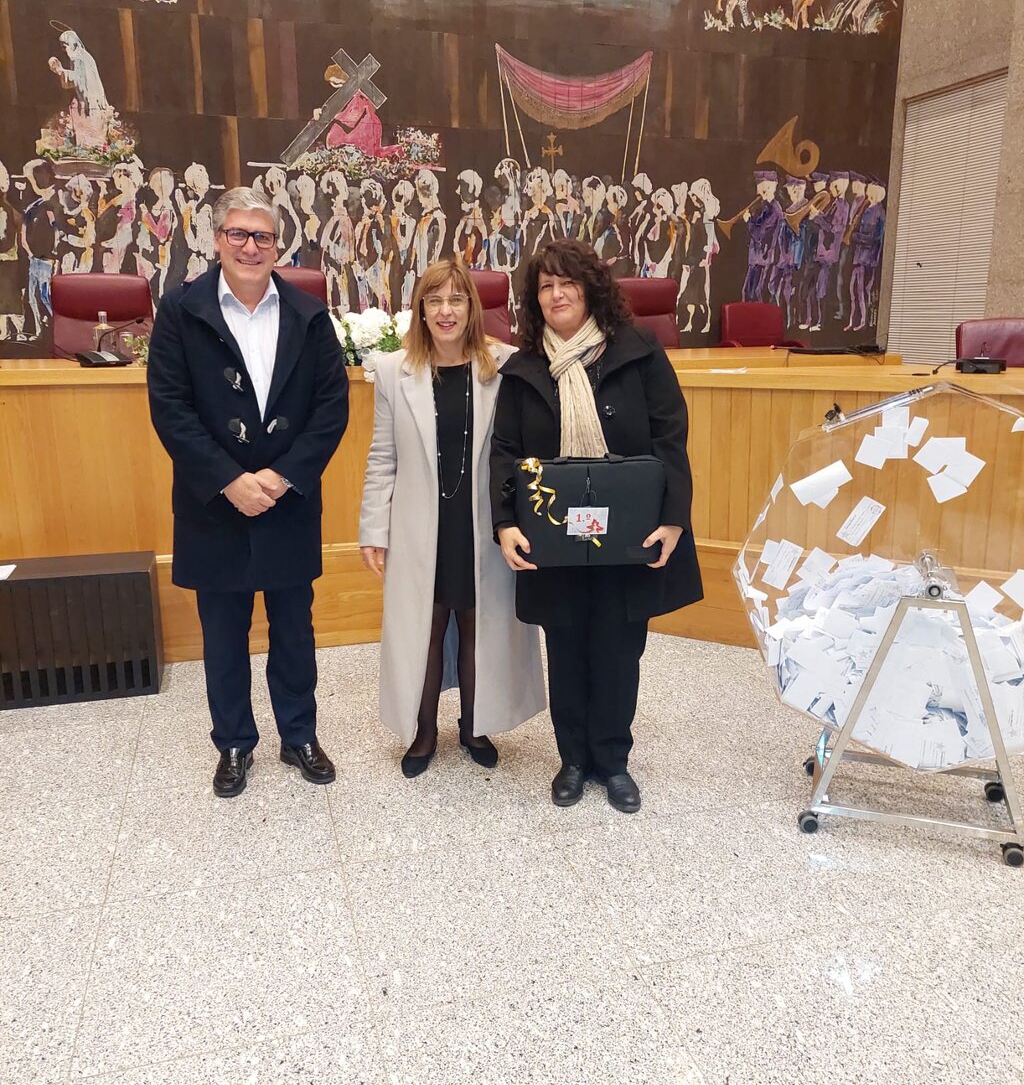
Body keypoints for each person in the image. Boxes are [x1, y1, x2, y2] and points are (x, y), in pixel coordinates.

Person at [147, 185, 349, 798]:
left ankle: (299, 734)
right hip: (214, 504)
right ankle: (234, 743)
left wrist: (283, 477)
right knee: (224, 632)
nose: (250, 246)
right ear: (217, 240)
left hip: (288, 501)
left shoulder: (309, 314)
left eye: (262, 236)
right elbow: (170, 409)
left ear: (277, 244)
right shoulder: (180, 311)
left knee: (294, 629)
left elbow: (331, 408)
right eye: (238, 233)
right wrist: (229, 480)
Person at [490, 239, 702, 813]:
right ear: (535, 300)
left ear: (591, 290)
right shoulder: (524, 368)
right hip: (553, 537)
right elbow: (505, 452)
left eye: (568, 284)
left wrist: (673, 520)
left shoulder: (639, 351)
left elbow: (671, 439)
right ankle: (573, 760)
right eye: (545, 287)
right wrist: (505, 522)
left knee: (617, 648)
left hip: (626, 535)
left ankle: (612, 761)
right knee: (566, 646)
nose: (557, 295)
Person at [359, 259, 544, 777]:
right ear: (420, 309)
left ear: (472, 308)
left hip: (483, 522)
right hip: (419, 525)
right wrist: (373, 528)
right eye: (434, 300)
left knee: (477, 622)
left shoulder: (504, 365)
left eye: (456, 300)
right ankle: (422, 731)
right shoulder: (394, 371)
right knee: (426, 624)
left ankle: (474, 725)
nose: (446, 311)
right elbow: (382, 458)